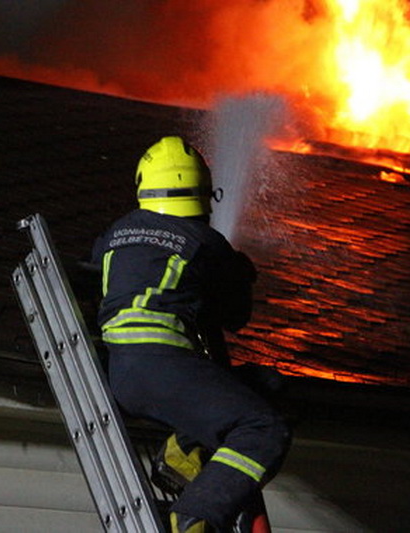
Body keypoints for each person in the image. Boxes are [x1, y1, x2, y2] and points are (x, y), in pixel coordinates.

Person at [92, 136, 291, 532]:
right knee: (265, 429)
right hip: (168, 368)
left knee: (263, 384)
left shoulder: (115, 234)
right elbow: (235, 318)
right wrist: (239, 273)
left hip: (123, 372)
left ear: (144, 185)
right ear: (204, 192)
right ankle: (197, 513)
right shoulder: (206, 242)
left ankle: (183, 451)